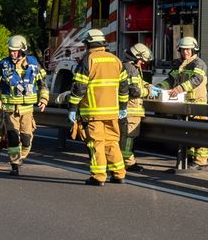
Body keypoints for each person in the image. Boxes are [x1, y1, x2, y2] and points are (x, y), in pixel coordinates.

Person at [68, 29, 130, 186]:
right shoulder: (116, 60)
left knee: (96, 143)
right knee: (112, 142)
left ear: (88, 44)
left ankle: (98, 176)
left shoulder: (88, 60)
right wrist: (122, 106)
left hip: (93, 112)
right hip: (113, 112)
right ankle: (119, 174)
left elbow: (79, 87)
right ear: (103, 44)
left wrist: (72, 107)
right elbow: (124, 87)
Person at [0, 35, 48, 176]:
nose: (12, 53)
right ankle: (15, 164)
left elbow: (43, 83)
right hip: (10, 109)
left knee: (26, 139)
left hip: (27, 110)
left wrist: (44, 99)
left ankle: (21, 156)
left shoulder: (33, 64)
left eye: (15, 50)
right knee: (12, 136)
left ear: (22, 50)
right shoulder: (3, 64)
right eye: (10, 50)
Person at [156, 36, 208, 170]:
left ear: (194, 50)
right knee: (187, 132)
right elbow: (170, 79)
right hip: (184, 103)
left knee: (199, 132)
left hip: (197, 102)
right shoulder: (179, 64)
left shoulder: (199, 64)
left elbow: (197, 79)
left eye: (189, 49)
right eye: (184, 49)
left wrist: (180, 88)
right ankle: (190, 158)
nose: (186, 52)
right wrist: (158, 88)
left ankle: (200, 161)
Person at [122, 43, 159, 172]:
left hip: (128, 109)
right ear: (137, 56)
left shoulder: (128, 66)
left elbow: (137, 82)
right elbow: (134, 91)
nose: (143, 63)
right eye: (142, 60)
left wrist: (148, 85)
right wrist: (148, 92)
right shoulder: (131, 68)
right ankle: (128, 163)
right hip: (131, 110)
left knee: (126, 137)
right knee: (129, 137)